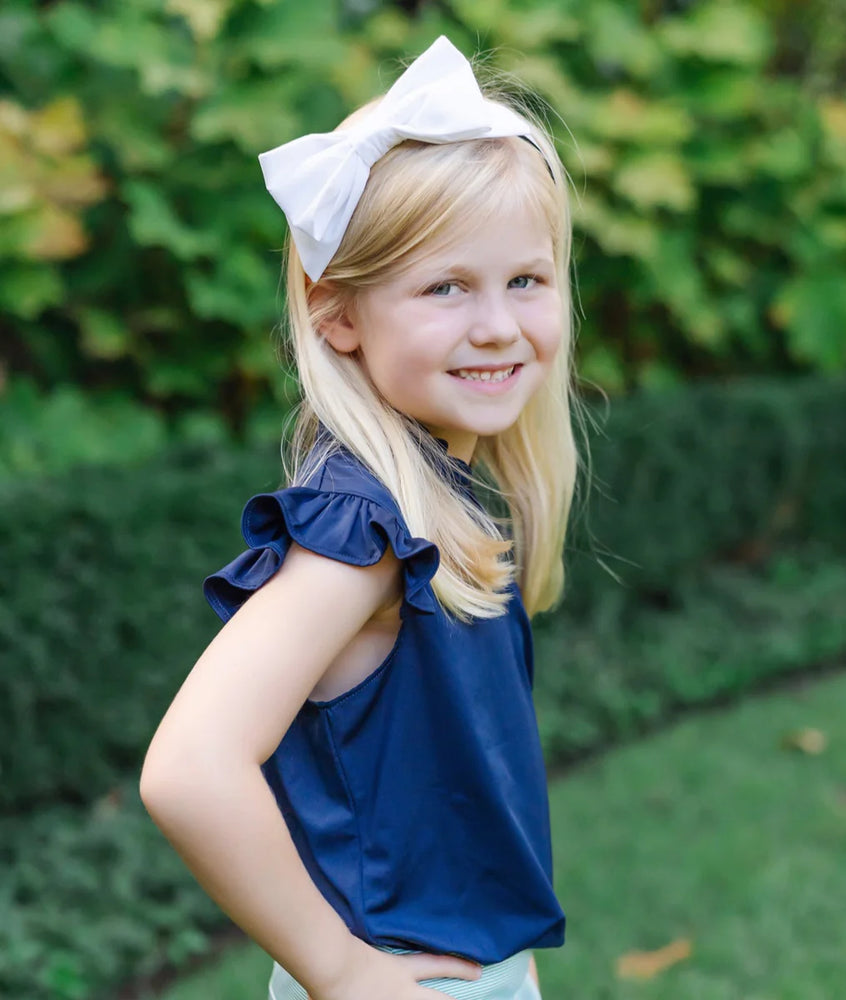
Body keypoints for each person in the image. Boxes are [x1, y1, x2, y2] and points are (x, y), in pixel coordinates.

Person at [140, 34, 582, 1000]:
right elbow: (188, 768)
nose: (499, 323)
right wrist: (339, 971)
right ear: (339, 315)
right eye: (446, 287)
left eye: (526, 279)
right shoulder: (363, 535)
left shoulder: (434, 490)